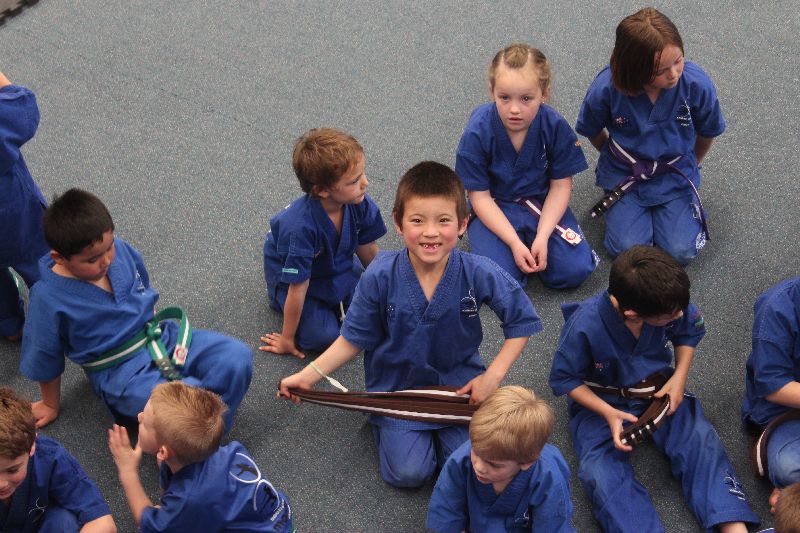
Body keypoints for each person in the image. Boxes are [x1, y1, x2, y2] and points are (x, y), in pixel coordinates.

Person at [279, 161, 542, 488]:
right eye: (417, 220)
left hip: (460, 389)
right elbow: (352, 339)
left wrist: (492, 377)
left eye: (443, 220)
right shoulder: (379, 274)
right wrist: (307, 377)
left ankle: (431, 440)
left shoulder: (479, 270)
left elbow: (521, 322)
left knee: (473, 465)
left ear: (463, 223)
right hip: (397, 391)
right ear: (398, 223)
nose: (431, 232)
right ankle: (387, 426)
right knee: (409, 474)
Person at [548, 246, 758, 532]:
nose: (680, 314)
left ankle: (732, 524)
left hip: (658, 389)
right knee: (599, 474)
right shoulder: (584, 325)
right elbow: (565, 380)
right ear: (633, 314)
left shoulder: (667, 301)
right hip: (601, 402)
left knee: (699, 440)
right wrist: (607, 413)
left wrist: (679, 377)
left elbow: (688, 333)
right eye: (670, 316)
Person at [18, 188, 252, 431]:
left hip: (162, 338)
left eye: (109, 247)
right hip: (122, 374)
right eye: (92, 259)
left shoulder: (119, 250)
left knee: (236, 357)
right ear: (59, 258)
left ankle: (209, 428)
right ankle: (193, 432)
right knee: (183, 401)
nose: (106, 261)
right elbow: (44, 354)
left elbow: (143, 285)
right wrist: (50, 404)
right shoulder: (47, 297)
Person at [575, 8, 725, 265]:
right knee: (626, 251)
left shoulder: (696, 84)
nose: (673, 74)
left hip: (674, 173)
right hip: (626, 174)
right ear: (634, 68)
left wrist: (692, 162)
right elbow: (592, 129)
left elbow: (708, 131)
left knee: (681, 251)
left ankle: (675, 213)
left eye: (678, 60)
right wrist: (616, 157)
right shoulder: (606, 87)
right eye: (660, 70)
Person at [456, 44, 597, 289]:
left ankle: (536, 242)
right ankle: (507, 245)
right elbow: (479, 196)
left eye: (526, 99)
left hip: (540, 203)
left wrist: (542, 236)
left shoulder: (554, 126)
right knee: (499, 281)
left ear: (545, 93)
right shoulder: (477, 132)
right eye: (504, 97)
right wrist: (514, 243)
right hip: (495, 206)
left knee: (576, 269)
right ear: (491, 91)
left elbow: (561, 186)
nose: (514, 109)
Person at [261, 128, 386, 358]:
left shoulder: (357, 202)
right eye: (354, 181)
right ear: (321, 190)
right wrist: (287, 339)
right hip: (297, 282)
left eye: (362, 174)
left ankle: (343, 296)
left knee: (378, 306)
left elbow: (368, 249)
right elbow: (298, 287)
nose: (365, 183)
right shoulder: (299, 228)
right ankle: (287, 304)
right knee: (324, 338)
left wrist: (391, 286)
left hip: (336, 265)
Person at [108, 382, 292, 532]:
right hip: (277, 519)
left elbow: (148, 525)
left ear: (163, 451)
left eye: (145, 424)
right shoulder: (231, 450)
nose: (139, 417)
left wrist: (128, 472)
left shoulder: (190, 498)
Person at [426, 385, 575, 533]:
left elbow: (553, 524)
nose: (479, 467)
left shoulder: (549, 477)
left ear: (526, 463)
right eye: (476, 453)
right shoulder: (462, 459)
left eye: (494, 465)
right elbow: (447, 505)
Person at [0, 387, 116, 533]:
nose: (1, 484)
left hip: (39, 525)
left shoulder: (50, 458)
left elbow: (103, 522)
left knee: (64, 522)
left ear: (32, 445)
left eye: (12, 470)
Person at [741, 277, 800, 509]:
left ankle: (792, 497)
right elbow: (775, 388)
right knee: (789, 467)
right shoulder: (777, 308)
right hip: (785, 412)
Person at [0, 71, 50, 342]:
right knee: (42, 264)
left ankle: (10, 324)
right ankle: (54, 324)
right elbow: (25, 109)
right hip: (14, 214)